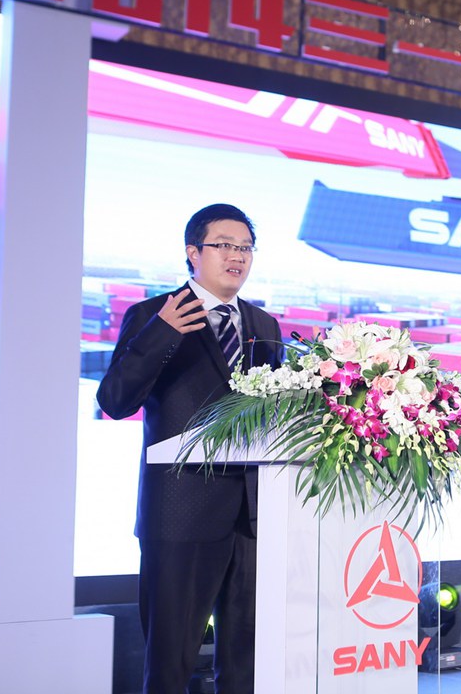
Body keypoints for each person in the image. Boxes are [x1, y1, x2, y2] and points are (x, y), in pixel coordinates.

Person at [97, 204, 282, 694]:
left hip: (254, 519)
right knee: (170, 666)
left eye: (246, 248)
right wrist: (162, 333)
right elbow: (114, 401)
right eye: (224, 245)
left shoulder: (264, 325)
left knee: (249, 666)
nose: (237, 256)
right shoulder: (153, 315)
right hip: (180, 516)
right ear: (193, 252)